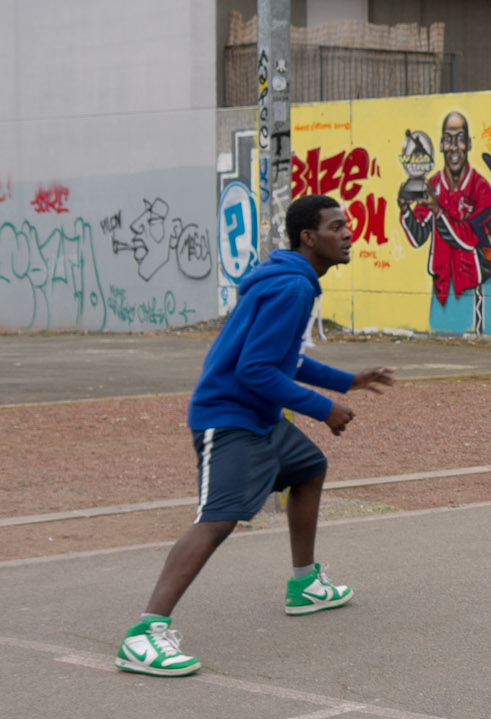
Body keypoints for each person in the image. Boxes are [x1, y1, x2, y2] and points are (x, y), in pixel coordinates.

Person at [115, 194, 396, 678]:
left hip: (260, 418)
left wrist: (347, 381)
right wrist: (324, 409)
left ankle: (304, 583)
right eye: (336, 226)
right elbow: (256, 370)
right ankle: (144, 633)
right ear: (309, 238)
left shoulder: (292, 282)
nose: (348, 232)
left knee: (308, 468)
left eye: (346, 224)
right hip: (229, 419)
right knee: (217, 520)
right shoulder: (292, 290)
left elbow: (285, 359)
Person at [399, 111, 491, 332]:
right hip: (442, 285)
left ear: (469, 144)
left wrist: (438, 210)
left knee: (477, 353)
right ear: (441, 144)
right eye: (448, 139)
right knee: (442, 349)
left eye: (460, 139)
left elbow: (471, 238)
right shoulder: (432, 184)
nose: (454, 147)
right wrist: (405, 211)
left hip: (474, 286)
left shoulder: (481, 187)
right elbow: (419, 237)